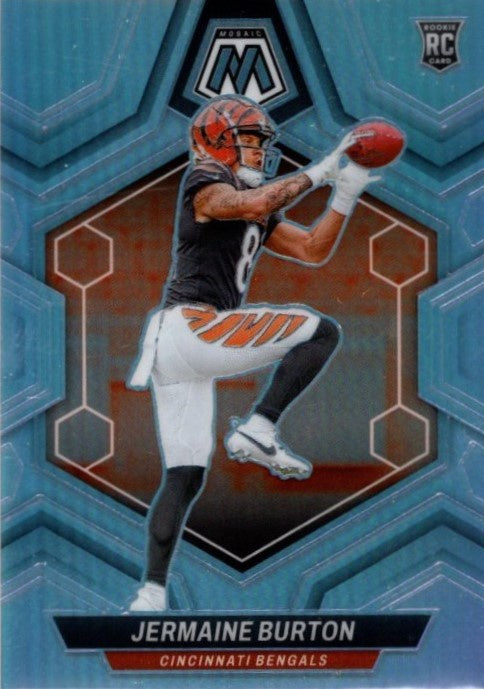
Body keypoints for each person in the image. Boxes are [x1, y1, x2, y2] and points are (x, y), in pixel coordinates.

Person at [127, 95, 379, 611]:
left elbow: (310, 249)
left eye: (261, 141)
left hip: (178, 348)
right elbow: (251, 205)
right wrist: (322, 171)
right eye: (248, 139)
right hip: (193, 328)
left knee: (185, 475)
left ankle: (150, 592)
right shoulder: (205, 181)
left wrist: (345, 193)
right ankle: (259, 427)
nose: (259, 150)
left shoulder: (251, 198)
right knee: (321, 330)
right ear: (215, 141)